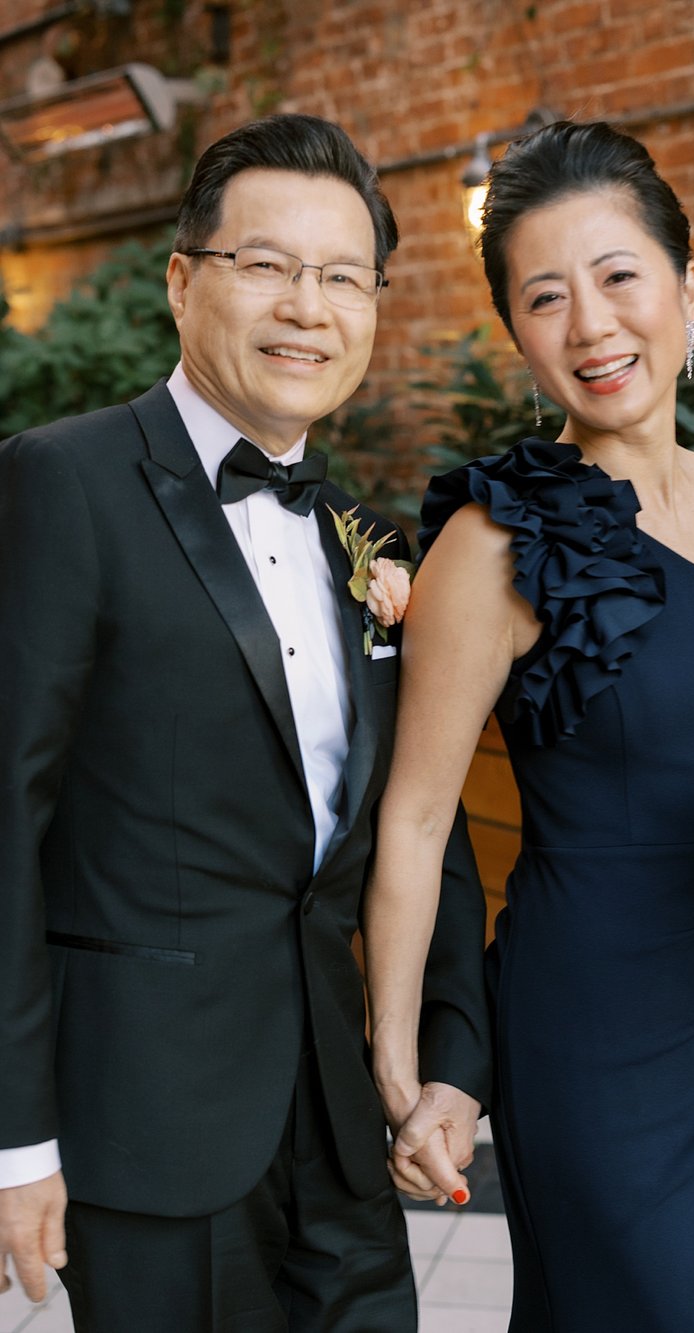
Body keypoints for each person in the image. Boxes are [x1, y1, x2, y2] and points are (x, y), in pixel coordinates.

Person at [0, 113, 490, 1333]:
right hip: (152, 1127)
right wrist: (14, 1145)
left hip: (340, 1118)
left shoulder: (358, 537)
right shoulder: (61, 483)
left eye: (341, 277)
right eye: (264, 265)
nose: (305, 308)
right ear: (182, 281)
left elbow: (419, 816)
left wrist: (449, 1060)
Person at [363, 120, 694, 1331]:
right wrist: (405, 1068)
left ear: (687, 287)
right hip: (585, 1016)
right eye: (546, 298)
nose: (593, 326)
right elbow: (412, 817)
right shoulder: (494, 544)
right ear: (517, 333)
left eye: (619, 277)